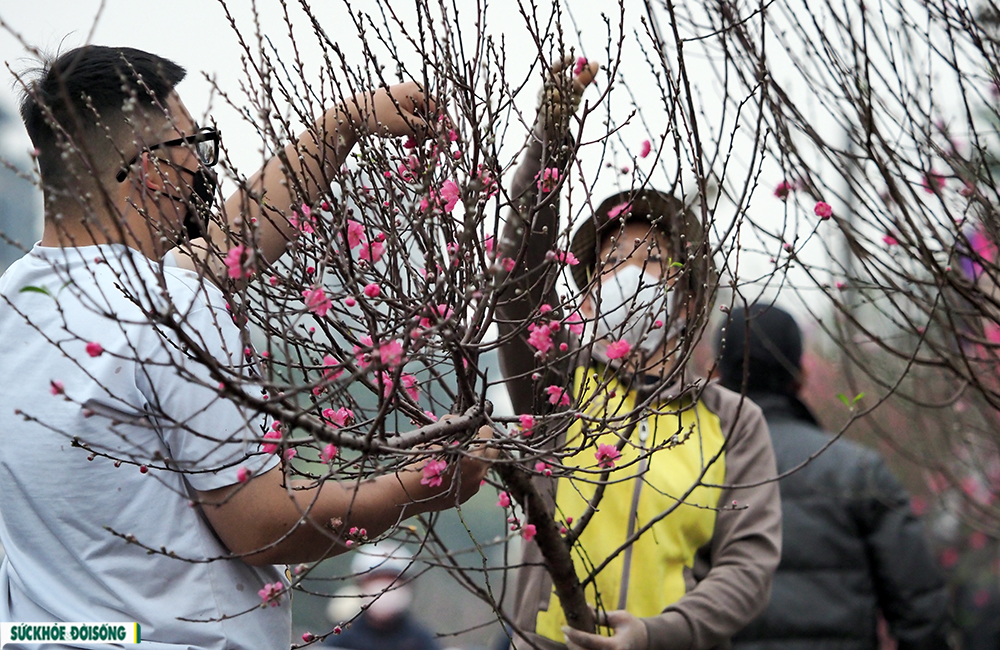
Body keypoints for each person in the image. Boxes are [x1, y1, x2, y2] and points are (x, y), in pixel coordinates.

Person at [0, 45, 492, 648]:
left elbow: (230, 241)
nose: (202, 171)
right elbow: (262, 525)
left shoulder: (18, 300)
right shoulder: (170, 304)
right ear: (151, 168)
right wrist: (418, 487)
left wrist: (347, 123)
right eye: (193, 146)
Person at [494, 60, 782, 650]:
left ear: (687, 296)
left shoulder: (731, 423)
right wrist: (551, 135)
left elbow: (747, 567)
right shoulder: (559, 385)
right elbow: (520, 272)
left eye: (649, 260)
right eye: (608, 263)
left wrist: (659, 635)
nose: (627, 276)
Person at [717, 304, 950, 650]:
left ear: (717, 377)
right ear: (800, 376)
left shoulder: (686, 473)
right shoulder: (856, 470)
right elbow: (920, 610)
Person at [323, 545, 440, 650]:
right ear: (361, 586)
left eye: (393, 580)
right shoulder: (341, 640)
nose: (386, 589)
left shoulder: (421, 641)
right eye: (377, 579)